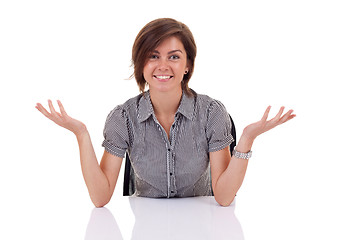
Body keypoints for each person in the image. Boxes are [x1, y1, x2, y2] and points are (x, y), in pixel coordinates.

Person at [35, 18, 296, 207]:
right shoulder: (123, 118)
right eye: (153, 56)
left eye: (173, 57)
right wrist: (80, 133)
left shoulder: (212, 113)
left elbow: (225, 198)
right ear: (141, 64)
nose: (163, 66)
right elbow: (100, 198)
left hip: (203, 224)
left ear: (187, 65)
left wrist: (247, 139)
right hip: (148, 224)